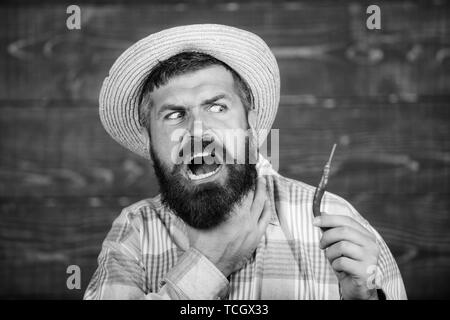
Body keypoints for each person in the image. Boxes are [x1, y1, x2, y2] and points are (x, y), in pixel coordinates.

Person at [84, 24, 407, 300]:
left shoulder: (335, 222)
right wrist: (208, 265)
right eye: (174, 115)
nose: (197, 132)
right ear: (149, 138)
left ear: (249, 120)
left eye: (216, 107)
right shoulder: (136, 231)